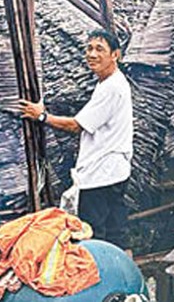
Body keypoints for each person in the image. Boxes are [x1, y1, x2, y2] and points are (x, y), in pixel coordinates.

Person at [20, 29, 133, 250]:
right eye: (89, 48)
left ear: (115, 55)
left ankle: (100, 276)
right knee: (116, 230)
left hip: (101, 173)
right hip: (115, 170)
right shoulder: (111, 82)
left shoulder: (111, 88)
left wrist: (41, 116)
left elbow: (75, 126)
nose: (92, 54)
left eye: (99, 49)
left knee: (94, 234)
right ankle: (125, 276)